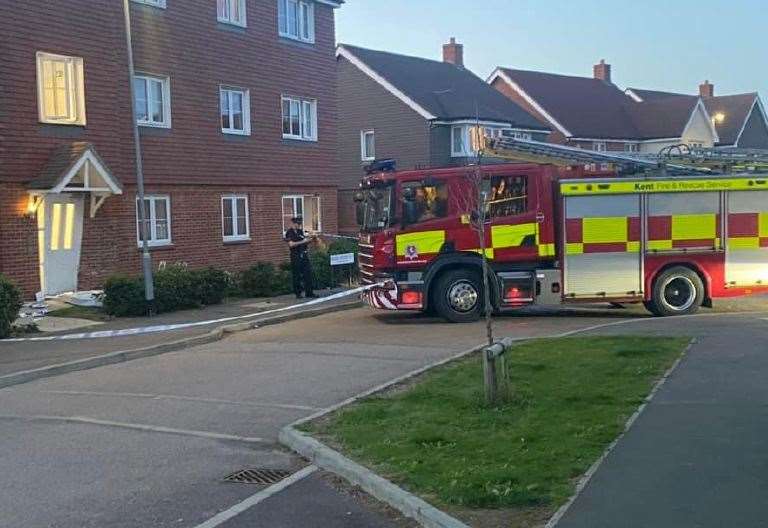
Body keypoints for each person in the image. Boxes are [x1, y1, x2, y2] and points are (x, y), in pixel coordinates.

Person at [284, 216, 317, 299]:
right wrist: (303, 241)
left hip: (304, 255)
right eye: (296, 224)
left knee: (308, 274)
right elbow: (291, 244)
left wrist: (310, 240)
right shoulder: (289, 232)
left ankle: (309, 292)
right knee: (297, 275)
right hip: (295, 256)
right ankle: (298, 294)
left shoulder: (300, 231)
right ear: (292, 223)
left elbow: (304, 241)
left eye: (299, 224)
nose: (298, 225)